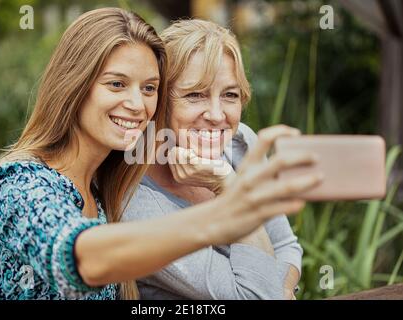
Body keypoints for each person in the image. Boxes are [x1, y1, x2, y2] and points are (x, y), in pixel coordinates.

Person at [0, 8, 321, 300]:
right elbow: (81, 258)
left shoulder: (111, 184)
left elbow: (281, 255)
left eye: (149, 88)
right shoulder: (18, 185)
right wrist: (229, 210)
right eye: (117, 84)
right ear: (73, 86)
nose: (137, 105)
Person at [122, 19, 305, 300]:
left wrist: (279, 291)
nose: (217, 115)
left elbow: (285, 245)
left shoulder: (241, 143)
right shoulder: (136, 202)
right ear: (160, 100)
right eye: (195, 95)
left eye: (230, 95)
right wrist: (229, 188)